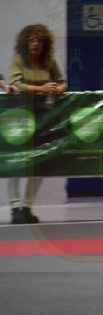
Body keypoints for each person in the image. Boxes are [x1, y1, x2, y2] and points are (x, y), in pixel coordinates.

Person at [7, 24, 67, 224]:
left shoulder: (49, 60)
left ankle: (27, 207)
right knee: (15, 162)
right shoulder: (18, 59)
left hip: (43, 119)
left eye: (40, 40)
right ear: (25, 43)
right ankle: (15, 207)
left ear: (45, 43)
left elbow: (62, 82)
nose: (35, 44)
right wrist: (41, 88)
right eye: (32, 40)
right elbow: (15, 84)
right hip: (19, 117)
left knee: (39, 163)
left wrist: (58, 89)